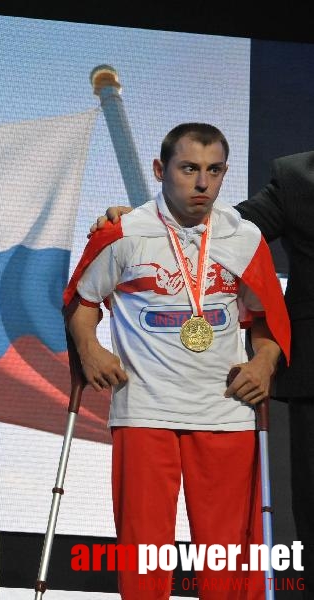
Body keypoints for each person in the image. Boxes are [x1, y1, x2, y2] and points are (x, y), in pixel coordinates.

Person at [65, 123, 290, 598]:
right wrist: (90, 349)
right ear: (159, 170)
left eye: (214, 170)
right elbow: (82, 301)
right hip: (145, 410)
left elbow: (268, 320)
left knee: (227, 560)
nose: (202, 183)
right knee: (144, 558)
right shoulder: (123, 232)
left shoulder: (244, 237)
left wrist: (263, 363)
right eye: (189, 169)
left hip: (226, 412)